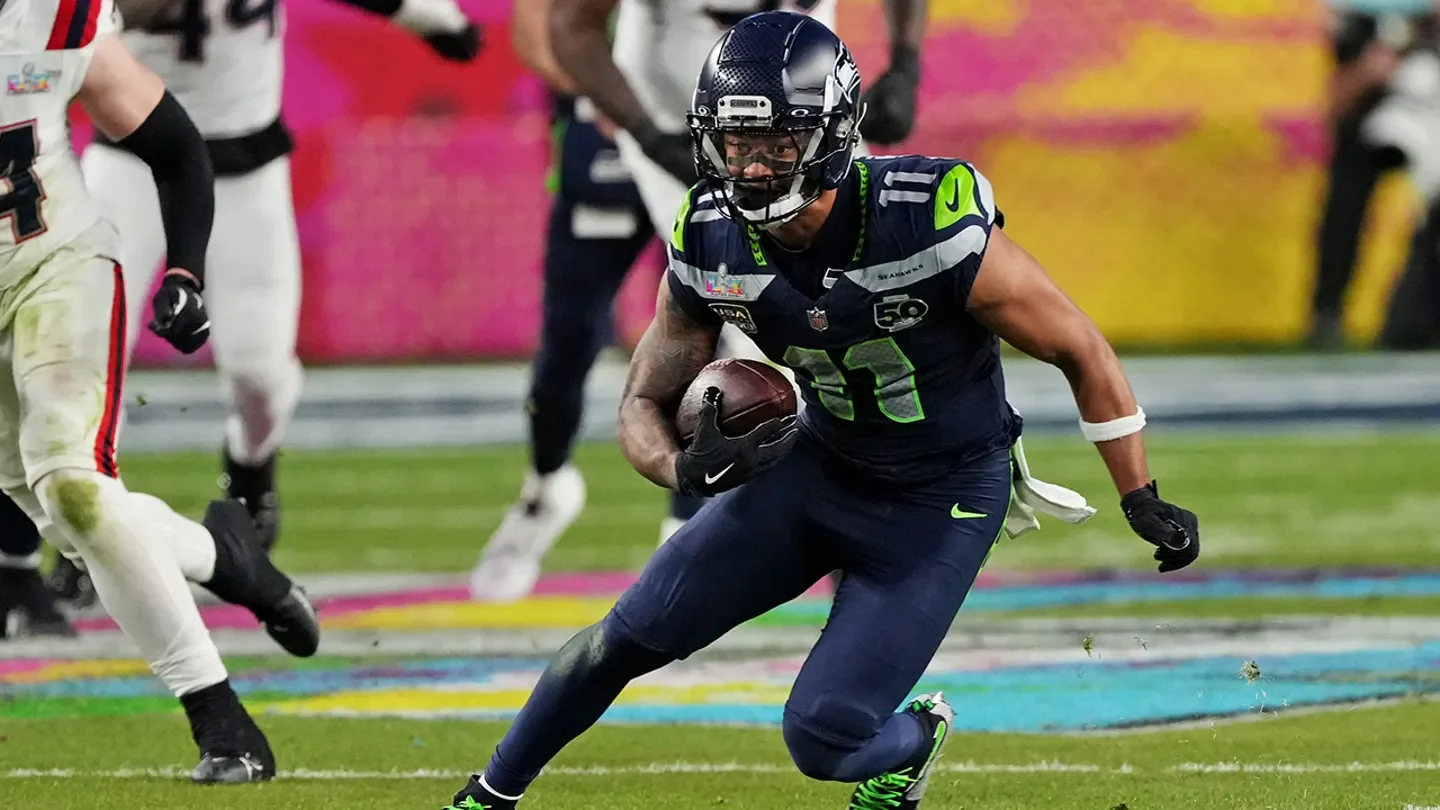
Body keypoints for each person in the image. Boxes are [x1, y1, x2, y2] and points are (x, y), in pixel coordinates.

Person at [444, 13, 1200, 810]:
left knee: (826, 737)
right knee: (623, 637)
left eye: (776, 143)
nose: (752, 164)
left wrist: (1138, 493)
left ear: (833, 133)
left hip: (937, 500)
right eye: (736, 144)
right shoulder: (710, 234)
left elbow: (1079, 344)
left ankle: (916, 739)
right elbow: (643, 401)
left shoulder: (926, 214)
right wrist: (679, 466)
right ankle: (489, 796)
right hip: (817, 467)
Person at [468, 0, 927, 604]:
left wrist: (906, 62)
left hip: (808, 111)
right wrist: (648, 132)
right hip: (675, 107)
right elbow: (567, 26)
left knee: (860, 295)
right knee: (732, 308)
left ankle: (877, 511)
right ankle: (690, 533)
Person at [38, 0, 483, 607]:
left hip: (247, 165)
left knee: (258, 373)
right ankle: (85, 537)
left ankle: (250, 468)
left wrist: (439, 22)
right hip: (135, 156)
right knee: (82, 356)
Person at [0, 0, 319, 782]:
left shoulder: (42, 22)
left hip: (55, 271)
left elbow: (176, 148)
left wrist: (185, 268)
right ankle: (228, 559)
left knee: (73, 485)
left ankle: (221, 718)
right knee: (79, 521)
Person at [469, 0, 658, 602]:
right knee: (567, 342)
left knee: (725, 326)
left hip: (703, 128)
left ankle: (690, 525)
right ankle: (546, 485)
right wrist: (608, 89)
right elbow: (536, 29)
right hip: (605, 135)